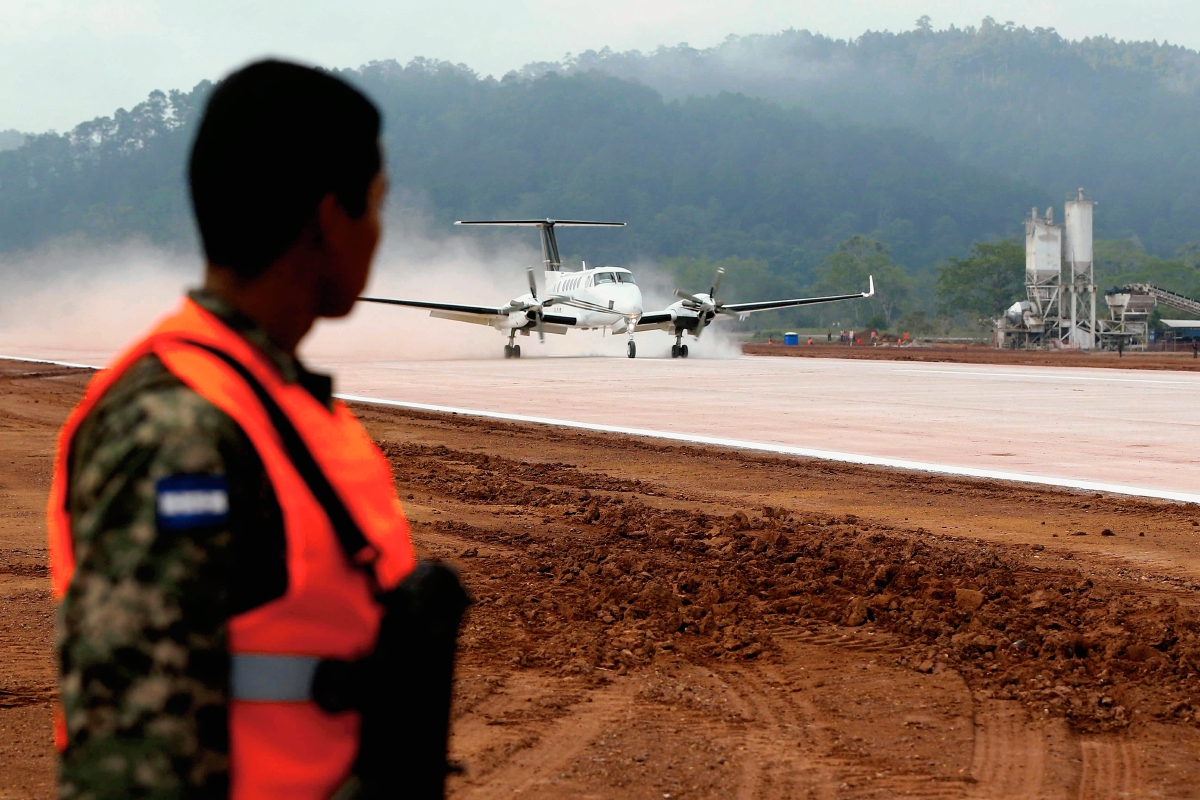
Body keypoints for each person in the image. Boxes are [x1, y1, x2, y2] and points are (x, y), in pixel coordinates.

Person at [48, 60, 467, 799]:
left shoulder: (272, 402)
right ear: (328, 219)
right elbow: (133, 763)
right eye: (375, 207)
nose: (378, 235)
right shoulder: (179, 429)